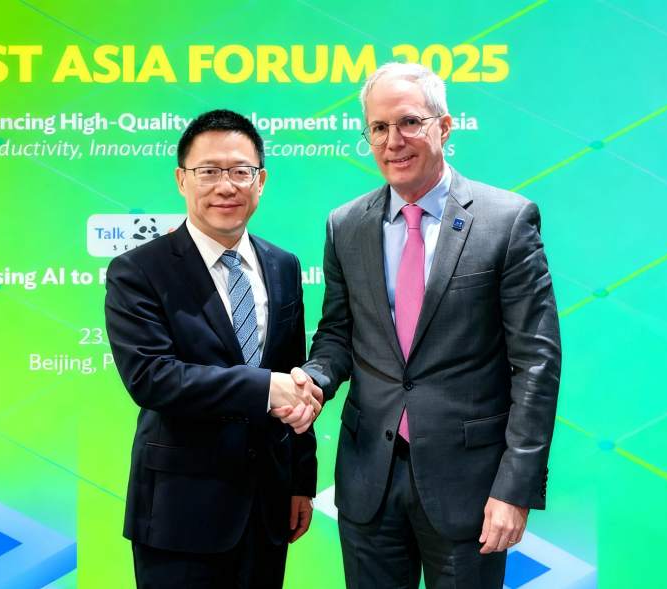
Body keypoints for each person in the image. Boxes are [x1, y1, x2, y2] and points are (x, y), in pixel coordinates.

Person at [295, 63, 562, 588]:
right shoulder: (345, 225)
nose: (393, 141)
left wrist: (515, 487)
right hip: (368, 480)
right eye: (378, 127)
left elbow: (536, 361)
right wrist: (316, 380)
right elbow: (337, 335)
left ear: (444, 126)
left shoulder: (506, 220)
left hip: (471, 488)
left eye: (409, 122)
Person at [105, 109, 321, 589]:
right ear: (182, 180)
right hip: (180, 511)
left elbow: (294, 374)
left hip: (267, 506)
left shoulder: (283, 265)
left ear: (260, 181)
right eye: (208, 172)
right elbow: (152, 379)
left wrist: (300, 481)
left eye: (241, 171)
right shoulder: (139, 271)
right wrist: (265, 388)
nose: (226, 186)